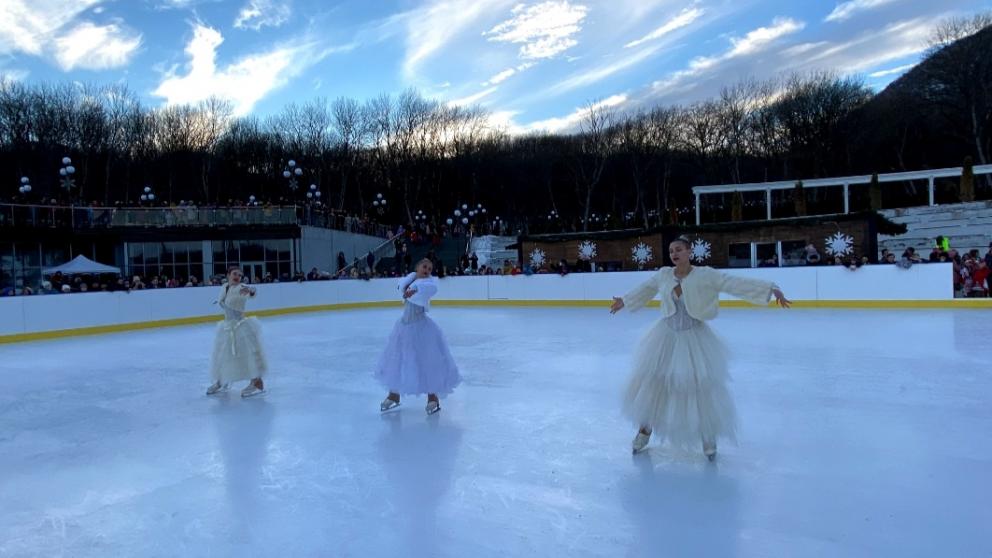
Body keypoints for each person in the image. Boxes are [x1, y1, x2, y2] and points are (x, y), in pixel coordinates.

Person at [609, 236, 790, 461]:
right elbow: (644, 289)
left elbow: (732, 283)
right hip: (664, 338)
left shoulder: (705, 274)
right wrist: (624, 301)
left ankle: (708, 436)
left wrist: (770, 289)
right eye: (671, 250)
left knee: (699, 388)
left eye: (679, 249)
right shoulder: (664, 274)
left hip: (694, 339)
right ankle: (645, 431)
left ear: (689, 251)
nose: (674, 254)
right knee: (654, 384)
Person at [376, 259, 461, 415]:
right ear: (417, 267)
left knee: (427, 362)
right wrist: (409, 285)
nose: (427, 269)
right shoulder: (410, 278)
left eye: (430, 268)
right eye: (424, 266)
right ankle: (394, 395)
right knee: (398, 360)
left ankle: (433, 397)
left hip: (422, 329)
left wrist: (415, 287)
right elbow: (401, 286)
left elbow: (429, 289)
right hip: (403, 328)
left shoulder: (428, 284)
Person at [206, 267, 268, 398]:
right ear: (228, 274)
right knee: (223, 355)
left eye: (240, 275)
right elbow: (222, 302)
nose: (237, 276)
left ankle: (257, 383)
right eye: (235, 274)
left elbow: (252, 292)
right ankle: (222, 381)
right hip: (227, 327)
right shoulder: (224, 287)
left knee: (248, 355)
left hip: (241, 326)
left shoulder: (241, 287)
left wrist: (252, 291)